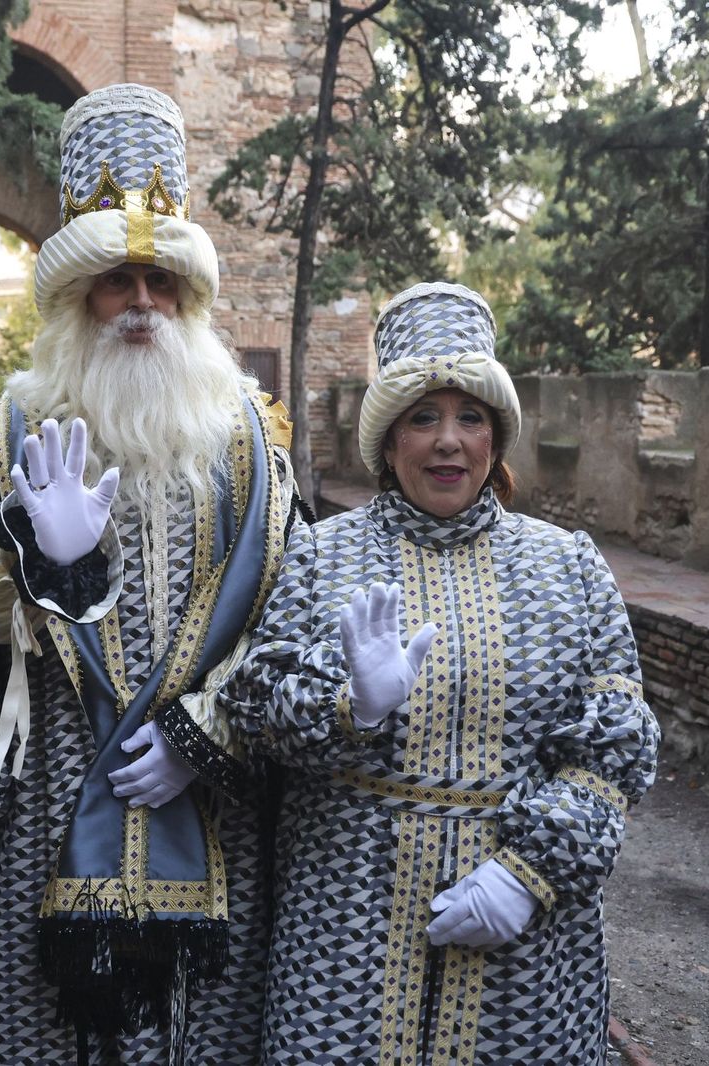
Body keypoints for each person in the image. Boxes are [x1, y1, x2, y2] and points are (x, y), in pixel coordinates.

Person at [0, 84, 300, 1064]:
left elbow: (293, 621)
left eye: (159, 283)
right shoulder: (10, 429)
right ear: (76, 298)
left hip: (210, 807)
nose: (139, 303)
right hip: (47, 800)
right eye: (116, 282)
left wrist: (205, 734)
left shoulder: (255, 446)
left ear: (188, 297)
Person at [220, 282, 660, 1065]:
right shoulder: (322, 555)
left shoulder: (570, 566)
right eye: (423, 418)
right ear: (389, 443)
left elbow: (616, 748)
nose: (448, 441)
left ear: (497, 439)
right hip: (347, 923)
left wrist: (527, 876)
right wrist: (347, 704)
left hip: (522, 938)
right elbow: (255, 707)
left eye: (470, 418)